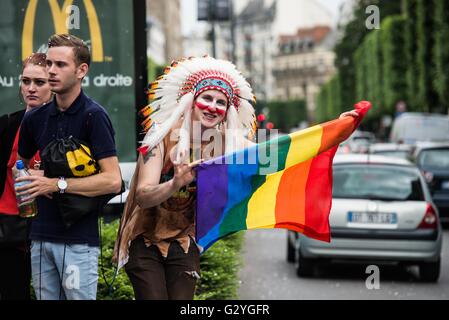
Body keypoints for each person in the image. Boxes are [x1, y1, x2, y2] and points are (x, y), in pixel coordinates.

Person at [113, 56, 358, 300]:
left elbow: (285, 154)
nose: (213, 107)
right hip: (143, 239)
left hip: (183, 241)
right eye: (207, 98)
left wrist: (336, 131)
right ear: (191, 101)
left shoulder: (229, 145)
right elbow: (143, 196)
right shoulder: (161, 137)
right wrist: (175, 183)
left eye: (221, 102)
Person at [16, 34, 122, 300]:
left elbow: (113, 181)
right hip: (39, 235)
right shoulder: (35, 118)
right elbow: (21, 165)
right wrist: (30, 177)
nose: (51, 70)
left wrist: (55, 183)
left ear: (81, 70)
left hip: (79, 239)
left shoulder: (94, 116)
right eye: (49, 63)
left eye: (60, 65)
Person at [0, 53, 52, 300]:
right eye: (26, 81)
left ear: (54, 84)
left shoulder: (65, 126)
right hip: (9, 230)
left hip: (50, 229)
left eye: (39, 82)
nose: (31, 88)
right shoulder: (7, 125)